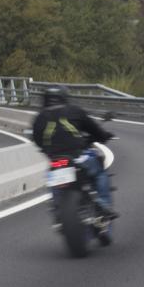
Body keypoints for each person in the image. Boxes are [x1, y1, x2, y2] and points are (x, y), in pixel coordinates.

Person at [31, 84, 117, 219]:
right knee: (99, 169)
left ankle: (57, 207)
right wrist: (104, 136)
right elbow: (94, 129)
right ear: (64, 97)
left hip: (55, 161)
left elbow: (36, 139)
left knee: (52, 178)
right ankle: (104, 204)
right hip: (78, 157)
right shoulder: (74, 111)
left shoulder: (40, 117)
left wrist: (48, 150)